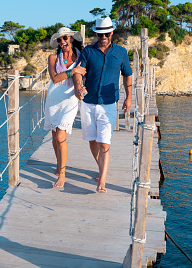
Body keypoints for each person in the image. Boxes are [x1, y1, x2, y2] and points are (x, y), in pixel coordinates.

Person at [73, 17, 132, 193]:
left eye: (107, 33)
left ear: (112, 32)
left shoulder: (121, 52)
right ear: (96, 34)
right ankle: (101, 169)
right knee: (92, 141)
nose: (104, 36)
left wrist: (128, 97)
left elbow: (127, 75)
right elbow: (78, 72)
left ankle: (102, 181)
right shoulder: (88, 52)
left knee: (104, 143)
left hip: (108, 104)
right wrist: (78, 86)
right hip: (88, 103)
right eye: (100, 34)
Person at [44, 27, 86, 187]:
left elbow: (83, 74)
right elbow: (55, 78)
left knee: (61, 136)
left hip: (70, 99)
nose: (62, 42)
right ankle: (59, 164)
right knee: (55, 136)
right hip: (54, 99)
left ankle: (62, 174)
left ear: (72, 39)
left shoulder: (81, 57)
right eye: (59, 40)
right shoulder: (53, 57)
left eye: (65, 38)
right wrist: (72, 71)